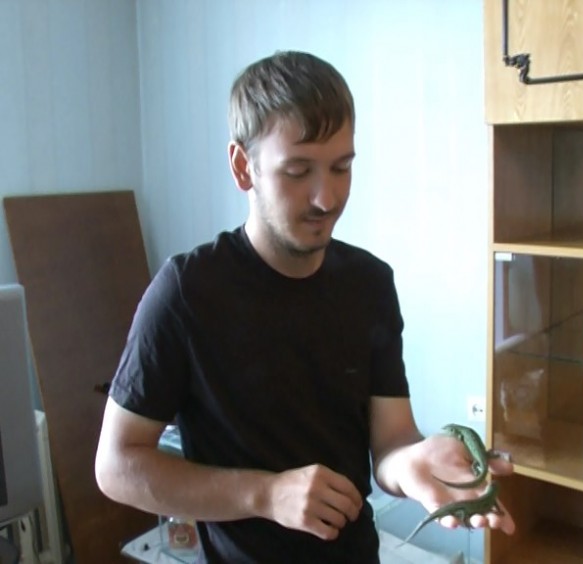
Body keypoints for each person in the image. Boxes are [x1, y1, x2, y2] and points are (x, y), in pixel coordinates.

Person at [94, 50, 514, 563]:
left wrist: (414, 464)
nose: (326, 198)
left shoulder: (370, 284)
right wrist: (266, 495)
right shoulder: (186, 293)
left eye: (342, 168)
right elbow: (116, 466)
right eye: (298, 171)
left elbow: (391, 443)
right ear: (243, 167)